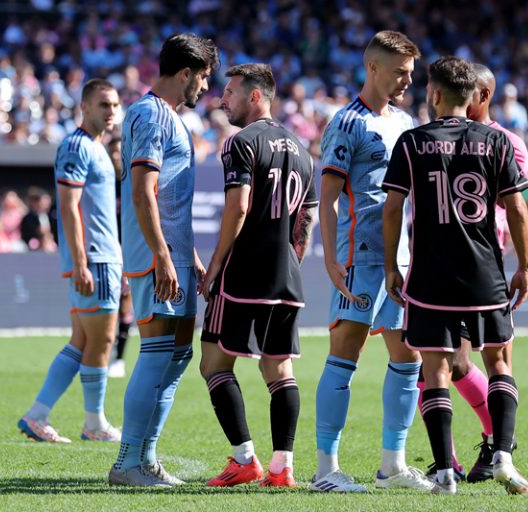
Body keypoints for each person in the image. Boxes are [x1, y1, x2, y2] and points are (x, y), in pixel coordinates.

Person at [382, 56, 528, 495]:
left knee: (436, 369)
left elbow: (392, 208)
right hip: (485, 271)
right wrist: (523, 265)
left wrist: (392, 265)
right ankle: (502, 454)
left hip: (431, 274)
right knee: (500, 361)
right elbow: (517, 208)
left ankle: (445, 471)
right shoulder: (496, 142)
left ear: (434, 94)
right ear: (474, 97)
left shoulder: (412, 142)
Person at [312, 30, 434, 493]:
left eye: (411, 73)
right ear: (373, 68)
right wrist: (330, 260)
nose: (407, 80)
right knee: (346, 354)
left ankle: (392, 466)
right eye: (401, 72)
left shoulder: (405, 122)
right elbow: (326, 200)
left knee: (408, 357)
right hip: (359, 260)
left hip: (397, 263)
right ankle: (326, 470)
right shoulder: (346, 123)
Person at [199, 63, 317, 489]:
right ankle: (282, 467)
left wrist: (214, 267)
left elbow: (239, 207)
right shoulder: (303, 150)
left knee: (213, 363)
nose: (222, 99)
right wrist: (292, 262)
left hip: (244, 270)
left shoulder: (241, 143)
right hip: (287, 274)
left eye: (230, 92)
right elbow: (306, 220)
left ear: (255, 96)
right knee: (279, 369)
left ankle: (244, 458)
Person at [108, 33, 218, 488]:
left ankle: (146, 458)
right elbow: (141, 191)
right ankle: (126, 462)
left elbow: (171, 204)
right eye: (205, 78)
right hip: (157, 257)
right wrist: (161, 254)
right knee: (156, 355)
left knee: (177, 356)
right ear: (186, 73)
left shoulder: (170, 119)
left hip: (172, 256)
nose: (206, 89)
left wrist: (189, 258)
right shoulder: (149, 114)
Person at [18, 78, 123, 444]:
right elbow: (68, 207)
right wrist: (80, 262)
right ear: (84, 107)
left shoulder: (98, 148)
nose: (111, 112)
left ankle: (37, 414)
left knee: (81, 341)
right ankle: (94, 423)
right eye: (103, 105)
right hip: (93, 258)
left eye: (114, 105)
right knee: (103, 339)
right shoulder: (77, 147)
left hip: (101, 256)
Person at [105, 136, 134, 379]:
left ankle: (119, 358)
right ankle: (104, 351)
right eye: (112, 153)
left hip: (128, 252)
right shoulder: (102, 183)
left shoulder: (133, 182)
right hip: (105, 252)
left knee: (125, 302)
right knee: (106, 305)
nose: (116, 157)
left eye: (119, 153)